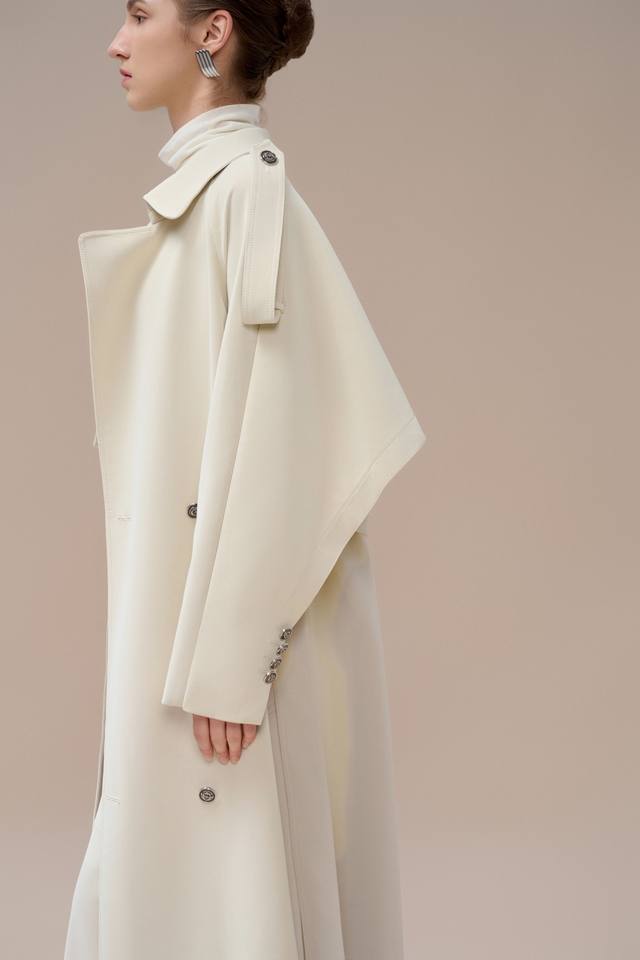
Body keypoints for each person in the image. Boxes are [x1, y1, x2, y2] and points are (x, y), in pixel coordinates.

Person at [63, 2, 427, 958]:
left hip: (217, 657)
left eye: (140, 13)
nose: (116, 41)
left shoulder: (245, 192)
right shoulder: (210, 196)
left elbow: (293, 435)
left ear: (212, 31)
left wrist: (230, 666)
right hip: (178, 629)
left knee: (225, 902)